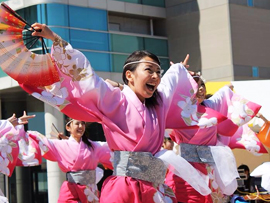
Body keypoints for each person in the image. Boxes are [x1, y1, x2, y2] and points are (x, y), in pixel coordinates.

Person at [15, 23, 232, 203]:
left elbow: (171, 79)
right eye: (149, 70)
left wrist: (181, 70)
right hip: (124, 189)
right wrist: (55, 39)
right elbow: (86, 78)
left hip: (155, 189)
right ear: (129, 75)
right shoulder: (114, 100)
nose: (156, 76)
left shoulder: (160, 101)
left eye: (158, 71)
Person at [165, 75, 261, 203]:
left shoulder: (211, 105)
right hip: (185, 169)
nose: (200, 89)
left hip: (209, 169)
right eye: (196, 86)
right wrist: (178, 73)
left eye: (202, 86)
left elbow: (227, 89)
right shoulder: (177, 109)